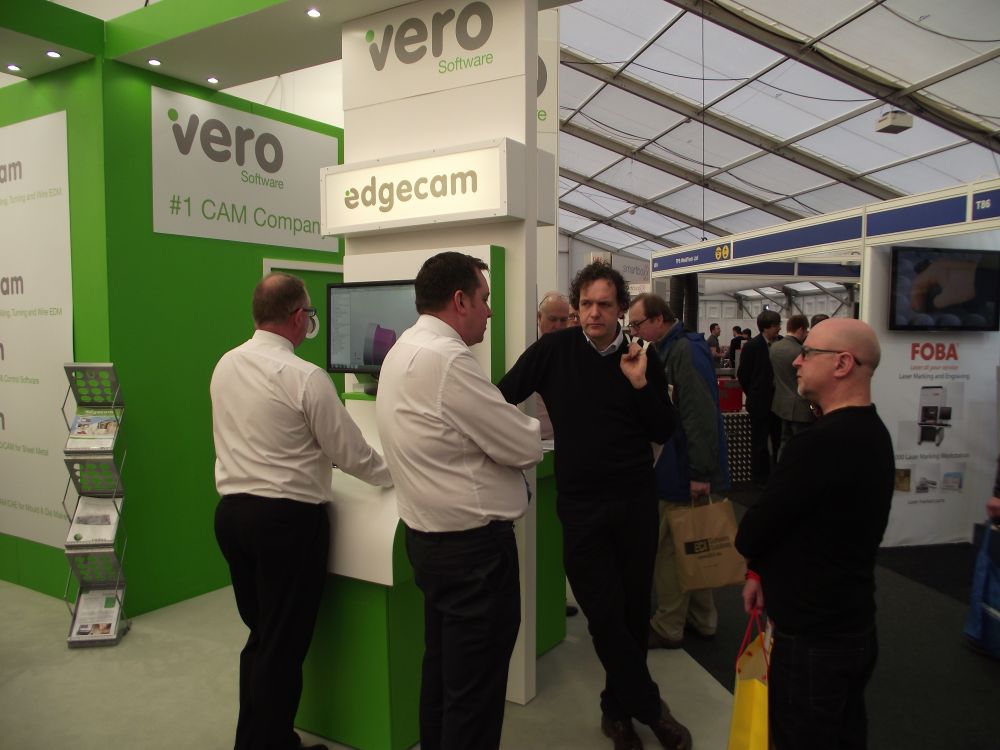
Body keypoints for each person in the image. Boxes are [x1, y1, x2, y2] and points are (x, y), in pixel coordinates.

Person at [498, 262, 691, 750]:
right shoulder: (553, 350)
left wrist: (640, 384)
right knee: (602, 613)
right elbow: (500, 396)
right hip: (581, 505)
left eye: (604, 304)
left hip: (634, 501)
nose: (593, 313)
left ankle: (617, 712)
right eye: (586, 304)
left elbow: (663, 428)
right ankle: (651, 707)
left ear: (621, 308)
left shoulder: (641, 354)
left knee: (632, 611)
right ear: (576, 306)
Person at [211, 272, 393, 750]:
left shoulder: (226, 364)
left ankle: (255, 740)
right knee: (282, 646)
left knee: (262, 636)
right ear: (297, 318)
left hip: (232, 517)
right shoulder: (305, 377)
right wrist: (393, 474)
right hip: (286, 524)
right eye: (309, 313)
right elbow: (349, 452)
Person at [375, 252, 542, 750]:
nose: (490, 310)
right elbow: (524, 445)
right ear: (460, 300)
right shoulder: (448, 361)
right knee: (474, 695)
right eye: (485, 299)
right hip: (474, 557)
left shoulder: (403, 349)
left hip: (433, 546)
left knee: (445, 677)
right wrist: (516, 435)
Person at [735, 318, 894, 750]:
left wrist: (756, 562)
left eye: (809, 353)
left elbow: (754, 530)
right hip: (852, 623)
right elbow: (810, 525)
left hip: (811, 637)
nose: (797, 361)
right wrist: (761, 572)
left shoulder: (819, 445)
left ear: (842, 364)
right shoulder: (874, 433)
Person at [628, 294, 729, 651]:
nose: (634, 331)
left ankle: (668, 625)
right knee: (694, 543)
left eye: (637, 324)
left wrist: (700, 472)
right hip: (681, 465)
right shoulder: (672, 349)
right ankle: (703, 618)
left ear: (658, 319)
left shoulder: (684, 352)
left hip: (682, 468)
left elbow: (699, 416)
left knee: (672, 549)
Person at [737, 310, 782, 486]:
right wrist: (754, 393)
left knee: (778, 440)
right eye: (776, 325)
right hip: (759, 403)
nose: (779, 328)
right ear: (766, 327)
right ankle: (760, 479)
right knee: (760, 443)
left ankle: (778, 476)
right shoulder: (752, 346)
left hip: (779, 402)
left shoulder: (782, 343)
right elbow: (743, 375)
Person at [769, 314, 813, 459]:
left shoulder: (774, 348)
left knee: (784, 443)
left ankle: (781, 469)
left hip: (781, 404)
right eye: (806, 330)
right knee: (801, 446)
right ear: (800, 329)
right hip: (801, 407)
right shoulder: (801, 351)